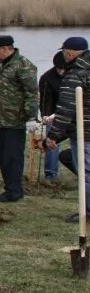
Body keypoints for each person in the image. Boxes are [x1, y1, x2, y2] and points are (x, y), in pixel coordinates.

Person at [42, 37, 90, 222]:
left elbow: (65, 109)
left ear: (68, 53)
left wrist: (53, 136)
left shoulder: (75, 75)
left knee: (86, 173)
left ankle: (88, 211)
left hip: (84, 132)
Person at [0, 35, 38, 203]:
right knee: (3, 155)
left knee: (12, 156)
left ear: (6, 49)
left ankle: (14, 192)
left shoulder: (23, 65)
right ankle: (10, 189)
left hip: (16, 119)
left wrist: (31, 116)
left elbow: (31, 93)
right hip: (2, 119)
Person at [39, 52, 66, 181]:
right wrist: (45, 115)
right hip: (54, 114)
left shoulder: (77, 75)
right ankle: (51, 173)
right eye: (59, 69)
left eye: (64, 69)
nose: (61, 71)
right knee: (51, 142)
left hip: (74, 112)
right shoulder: (47, 78)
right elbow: (45, 100)